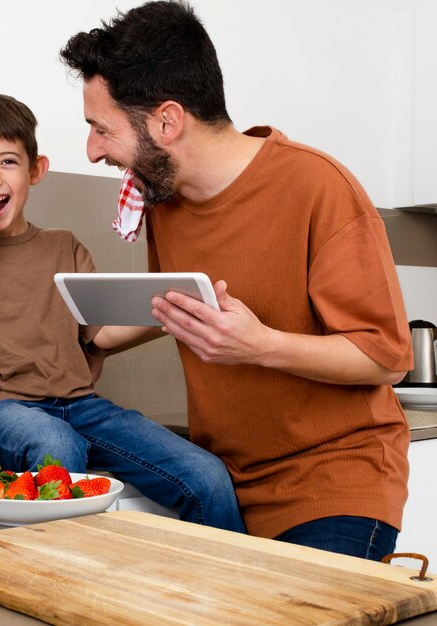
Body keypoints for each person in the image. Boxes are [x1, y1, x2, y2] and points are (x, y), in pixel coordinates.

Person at [59, 0, 413, 560]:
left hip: (334, 484)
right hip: (221, 482)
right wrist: (92, 340)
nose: (93, 150)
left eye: (101, 129)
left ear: (167, 121)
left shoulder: (317, 186)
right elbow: (181, 303)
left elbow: (387, 357)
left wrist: (261, 346)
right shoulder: (165, 201)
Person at [0, 91, 246, 532]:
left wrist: (173, 314)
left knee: (206, 474)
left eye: (7, 162)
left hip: (78, 403)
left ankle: (227, 587)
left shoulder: (63, 247)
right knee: (56, 446)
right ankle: (64, 580)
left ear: (36, 170)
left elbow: (99, 334)